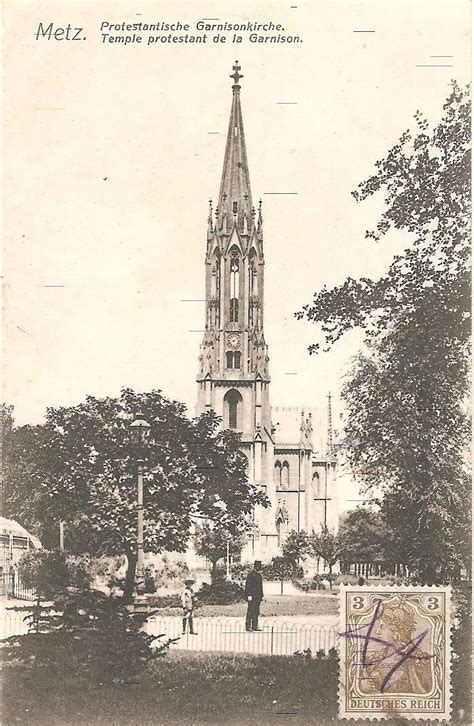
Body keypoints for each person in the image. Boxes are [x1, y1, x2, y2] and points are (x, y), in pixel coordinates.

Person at [244, 560, 264, 631]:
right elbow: (248, 586)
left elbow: (260, 587)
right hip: (252, 596)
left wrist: (261, 596)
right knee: (250, 611)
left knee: (256, 611)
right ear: (256, 566)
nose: (259, 568)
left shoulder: (258, 575)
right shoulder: (251, 574)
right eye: (259, 566)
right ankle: (248, 626)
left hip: (257, 597)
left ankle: (255, 626)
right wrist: (248, 595)